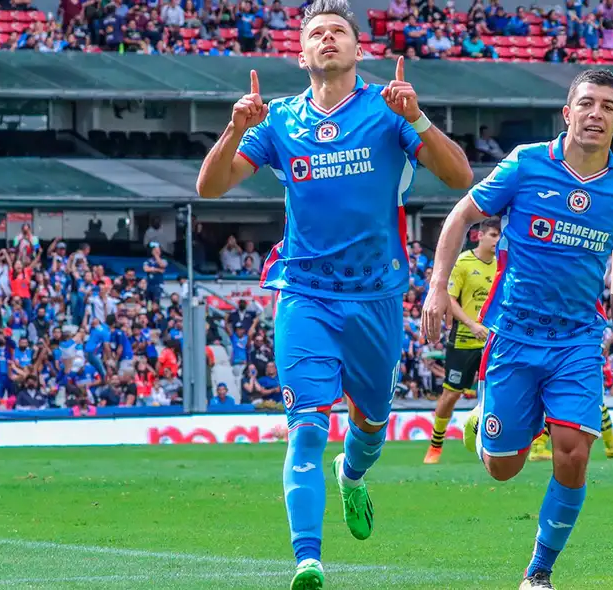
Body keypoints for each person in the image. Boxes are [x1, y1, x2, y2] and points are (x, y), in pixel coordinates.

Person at [195, 0, 472, 585]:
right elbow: (211, 186)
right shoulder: (277, 122)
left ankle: (352, 476)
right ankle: (308, 560)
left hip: (375, 298)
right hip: (304, 294)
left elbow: (459, 178)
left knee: (370, 426)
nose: (327, 39)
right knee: (307, 427)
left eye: (338, 32)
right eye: (316, 33)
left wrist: (419, 118)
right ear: (301, 55)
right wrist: (235, 127)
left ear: (358, 49)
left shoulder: (389, 111)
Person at [421, 69, 613, 590]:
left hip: (577, 341)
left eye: (607, 107)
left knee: (573, 453)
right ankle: (482, 425)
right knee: (504, 468)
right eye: (586, 103)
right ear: (567, 113)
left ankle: (538, 572)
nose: (596, 113)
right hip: (515, 335)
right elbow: (461, 215)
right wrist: (437, 286)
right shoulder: (525, 164)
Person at [423, 216, 500, 464]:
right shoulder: (464, 263)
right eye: (493, 236)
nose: (497, 241)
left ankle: (492, 444)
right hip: (465, 339)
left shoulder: (502, 263)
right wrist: (471, 324)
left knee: (497, 391)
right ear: (480, 236)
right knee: (451, 393)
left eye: (500, 236)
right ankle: (435, 446)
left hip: (493, 341)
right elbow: (449, 299)